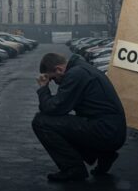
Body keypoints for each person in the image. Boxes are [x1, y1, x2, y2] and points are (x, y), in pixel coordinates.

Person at [32, 53, 126, 182]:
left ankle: (73, 169)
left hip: (106, 131)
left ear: (59, 69)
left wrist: (43, 88)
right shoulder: (82, 68)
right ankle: (103, 153)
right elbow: (61, 106)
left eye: (53, 79)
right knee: (62, 123)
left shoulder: (75, 74)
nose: (55, 82)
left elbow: (52, 108)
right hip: (112, 130)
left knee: (41, 122)